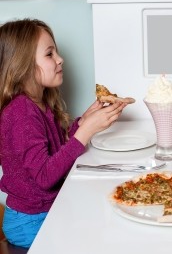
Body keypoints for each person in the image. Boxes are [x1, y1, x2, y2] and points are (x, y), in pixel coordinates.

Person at [0, 19, 128, 248]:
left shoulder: (39, 104)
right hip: (30, 222)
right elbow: (45, 176)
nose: (60, 59)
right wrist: (86, 133)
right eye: (49, 54)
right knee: (105, 237)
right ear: (23, 64)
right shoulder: (21, 112)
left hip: (46, 211)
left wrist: (84, 121)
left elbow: (55, 151)